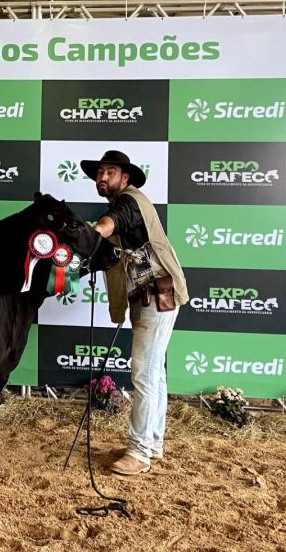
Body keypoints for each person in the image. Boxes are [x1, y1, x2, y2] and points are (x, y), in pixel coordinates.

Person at [81, 150, 188, 476]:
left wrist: (92, 232)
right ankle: (151, 444)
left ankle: (139, 451)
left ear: (125, 177)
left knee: (143, 373)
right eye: (100, 172)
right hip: (146, 299)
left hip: (159, 297)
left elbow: (112, 222)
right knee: (153, 374)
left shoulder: (130, 201)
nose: (102, 177)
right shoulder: (120, 205)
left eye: (110, 172)